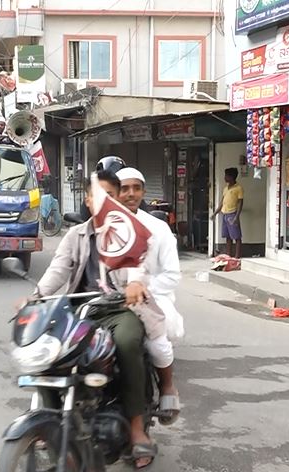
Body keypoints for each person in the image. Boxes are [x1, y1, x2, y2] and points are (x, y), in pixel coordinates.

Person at [35, 169, 157, 468]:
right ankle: (51, 421)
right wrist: (36, 296)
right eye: (96, 196)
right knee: (45, 347)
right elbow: (58, 269)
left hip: (119, 309)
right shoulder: (75, 234)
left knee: (128, 342)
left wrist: (135, 283)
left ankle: (137, 427)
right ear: (88, 200)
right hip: (82, 310)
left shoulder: (129, 231)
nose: (102, 201)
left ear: (117, 200)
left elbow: (139, 265)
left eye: (109, 196)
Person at [116, 167, 183, 425]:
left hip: (151, 295)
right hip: (110, 297)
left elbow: (172, 275)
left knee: (156, 342)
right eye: (124, 189)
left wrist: (141, 288)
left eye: (136, 188)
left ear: (143, 192)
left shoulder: (158, 228)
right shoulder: (103, 225)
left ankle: (167, 387)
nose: (130, 194)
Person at [212, 167, 244, 258]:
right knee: (228, 236)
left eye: (226, 176)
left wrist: (236, 217)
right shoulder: (225, 188)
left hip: (232, 214)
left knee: (236, 236)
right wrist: (215, 213)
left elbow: (240, 203)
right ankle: (228, 255)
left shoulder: (238, 188)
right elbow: (222, 202)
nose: (225, 177)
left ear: (231, 177)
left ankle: (237, 256)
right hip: (225, 214)